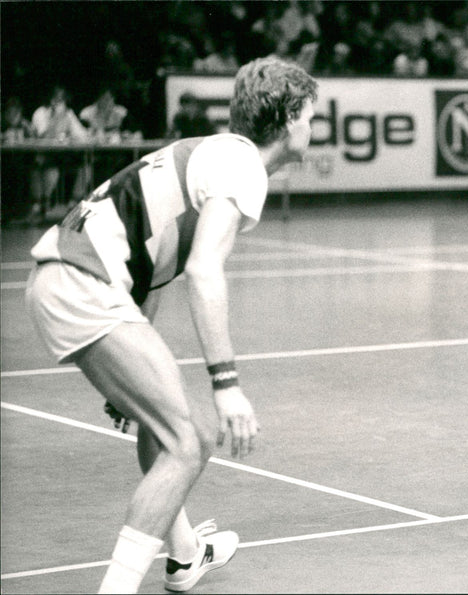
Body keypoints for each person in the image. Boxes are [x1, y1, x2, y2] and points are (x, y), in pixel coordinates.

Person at [25, 56, 318, 593]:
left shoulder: (212, 155)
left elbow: (157, 272)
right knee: (189, 440)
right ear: (288, 115)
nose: (313, 127)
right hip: (83, 282)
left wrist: (132, 365)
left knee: (162, 426)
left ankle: (185, 557)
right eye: (310, 116)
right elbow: (204, 270)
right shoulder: (243, 166)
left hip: (65, 279)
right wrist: (226, 384)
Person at [29, 85, 90, 222]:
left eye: (62, 99)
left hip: (63, 154)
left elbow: (81, 134)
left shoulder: (68, 113)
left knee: (85, 167)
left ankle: (73, 204)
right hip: (43, 155)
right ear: (50, 100)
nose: (59, 102)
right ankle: (40, 206)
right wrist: (55, 118)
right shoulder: (40, 113)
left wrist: (88, 133)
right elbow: (42, 135)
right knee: (50, 171)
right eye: (56, 99)